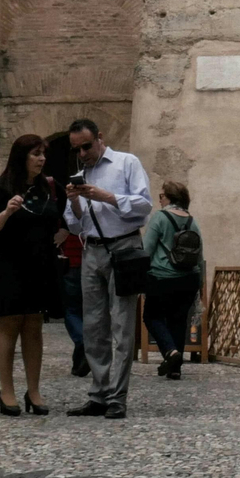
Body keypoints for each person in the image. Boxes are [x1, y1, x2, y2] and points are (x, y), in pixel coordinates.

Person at [63, 118, 152, 420]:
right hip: (92, 251)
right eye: (77, 149)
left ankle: (117, 397)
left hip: (124, 248)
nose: (83, 153)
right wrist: (74, 201)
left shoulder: (127, 162)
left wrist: (104, 196)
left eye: (87, 146)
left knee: (122, 326)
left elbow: (144, 205)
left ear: (100, 138)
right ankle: (98, 394)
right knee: (93, 326)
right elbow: (75, 224)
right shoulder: (80, 173)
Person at [0, 135, 63, 416]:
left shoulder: (48, 188)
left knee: (34, 325)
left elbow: (60, 223)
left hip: (40, 263)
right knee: (10, 323)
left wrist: (56, 246)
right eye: (35, 154)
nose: (41, 159)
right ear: (21, 157)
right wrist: (6, 212)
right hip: (10, 263)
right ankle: (7, 390)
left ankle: (34, 390)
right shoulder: (0, 187)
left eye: (43, 154)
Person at [142, 181, 203, 381]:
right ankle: (175, 369)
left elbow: (147, 249)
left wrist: (139, 274)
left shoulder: (159, 217)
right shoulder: (191, 221)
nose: (159, 199)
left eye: (161, 196)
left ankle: (170, 352)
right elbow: (200, 253)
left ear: (168, 197)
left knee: (152, 317)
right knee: (178, 320)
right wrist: (201, 282)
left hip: (162, 277)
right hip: (189, 279)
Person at [60, 229, 89, 377]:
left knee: (71, 310)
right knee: (87, 311)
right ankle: (78, 363)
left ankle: (83, 342)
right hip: (89, 261)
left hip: (70, 262)